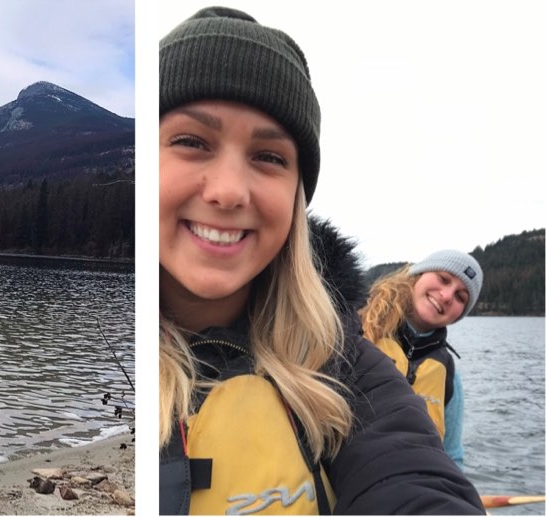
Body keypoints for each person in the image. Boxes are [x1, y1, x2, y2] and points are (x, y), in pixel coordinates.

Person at [158, 6, 485, 515]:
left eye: (269, 157)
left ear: (296, 200)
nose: (227, 191)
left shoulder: (343, 363)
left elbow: (420, 472)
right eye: (190, 142)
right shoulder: (359, 330)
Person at [359, 250, 483, 471]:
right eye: (443, 279)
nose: (446, 296)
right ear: (419, 274)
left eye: (460, 297)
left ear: (460, 314)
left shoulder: (449, 377)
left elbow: (452, 456)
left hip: (410, 492)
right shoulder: (356, 327)